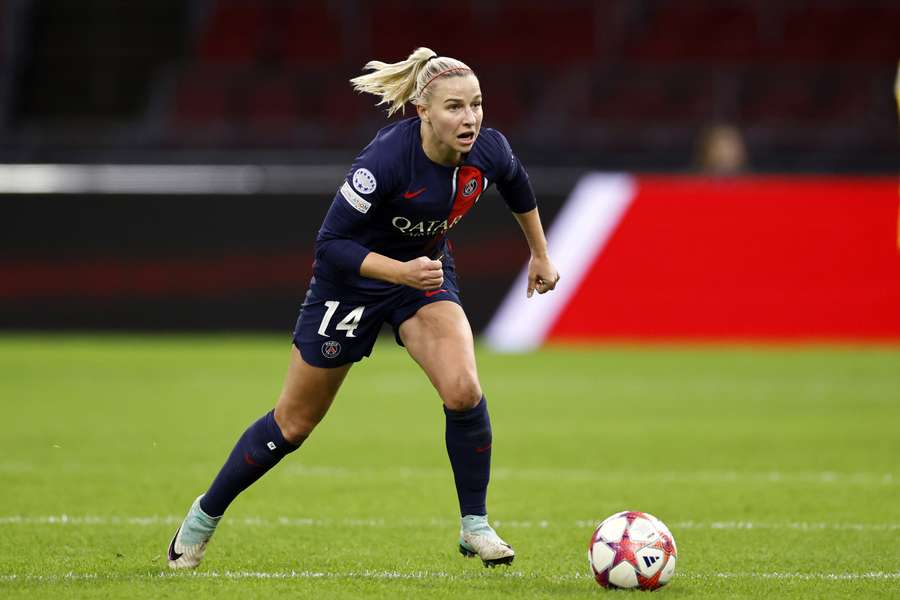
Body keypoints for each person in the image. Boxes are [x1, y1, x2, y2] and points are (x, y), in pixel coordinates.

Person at [166, 47, 560, 570]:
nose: (470, 119)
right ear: (423, 112)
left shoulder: (488, 149)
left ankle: (475, 525)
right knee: (293, 424)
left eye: (477, 104)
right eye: (454, 108)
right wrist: (399, 271)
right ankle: (202, 517)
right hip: (350, 286)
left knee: (464, 390)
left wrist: (539, 252)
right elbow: (329, 244)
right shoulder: (386, 163)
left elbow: (516, 182)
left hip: (420, 279)